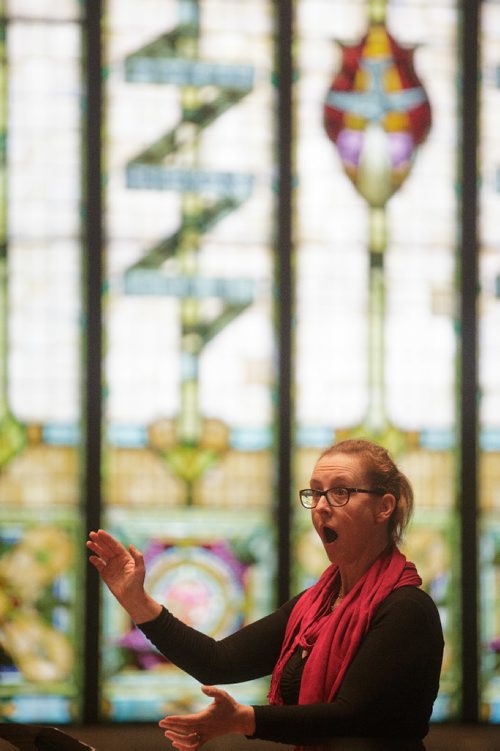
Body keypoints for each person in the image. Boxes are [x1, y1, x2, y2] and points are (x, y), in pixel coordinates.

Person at [86, 438, 444, 751]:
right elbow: (218, 661)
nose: (321, 506)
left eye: (340, 492)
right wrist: (137, 601)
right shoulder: (315, 606)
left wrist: (245, 719)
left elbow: (352, 716)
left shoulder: (407, 608)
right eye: (315, 492)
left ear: (384, 507)